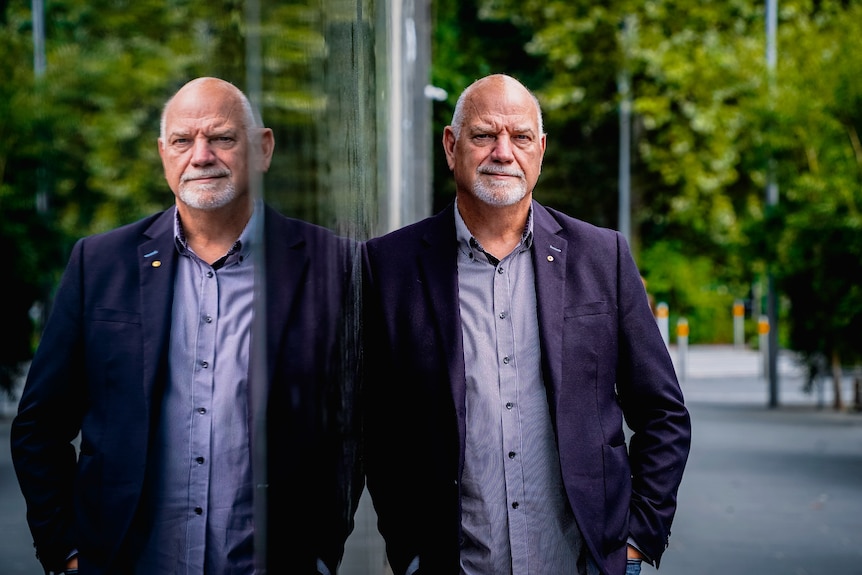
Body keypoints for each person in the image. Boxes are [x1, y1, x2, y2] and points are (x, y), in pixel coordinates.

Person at [11, 77, 362, 575]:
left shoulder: (335, 264)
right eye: (182, 140)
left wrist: (320, 553)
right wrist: (66, 553)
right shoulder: (100, 263)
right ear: (164, 154)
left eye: (222, 138)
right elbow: (39, 428)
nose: (201, 155)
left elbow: (353, 430)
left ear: (262, 149)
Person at [361, 74, 691, 575]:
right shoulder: (389, 265)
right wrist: (408, 549)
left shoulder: (603, 257)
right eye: (483, 136)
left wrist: (638, 539)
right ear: (451, 146)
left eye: (519, 137)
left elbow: (663, 412)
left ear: (540, 150)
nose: (502, 152)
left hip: (583, 562)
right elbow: (375, 426)